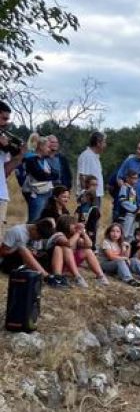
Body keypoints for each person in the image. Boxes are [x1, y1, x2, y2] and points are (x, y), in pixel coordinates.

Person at [0, 217, 70, 288]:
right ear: (35, 229)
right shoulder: (16, 231)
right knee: (22, 248)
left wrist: (36, 252)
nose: (38, 240)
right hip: (13, 263)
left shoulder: (39, 234)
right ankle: (47, 278)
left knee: (57, 248)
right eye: (38, 237)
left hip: (31, 262)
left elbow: (39, 249)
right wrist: (17, 249)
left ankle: (57, 277)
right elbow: (2, 252)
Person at [98, 222, 140, 287]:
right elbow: (111, 257)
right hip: (106, 265)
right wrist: (125, 258)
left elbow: (125, 257)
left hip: (118, 263)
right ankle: (129, 279)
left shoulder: (120, 243)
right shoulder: (106, 242)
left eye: (117, 232)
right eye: (112, 231)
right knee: (121, 261)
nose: (115, 234)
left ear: (121, 234)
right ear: (109, 232)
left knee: (134, 260)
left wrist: (128, 247)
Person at [54, 214, 110, 287]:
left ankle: (100, 276)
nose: (76, 226)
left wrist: (83, 233)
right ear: (66, 225)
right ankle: (77, 277)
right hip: (58, 265)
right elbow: (69, 244)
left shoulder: (74, 236)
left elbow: (89, 245)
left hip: (68, 265)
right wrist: (78, 232)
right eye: (73, 224)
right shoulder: (58, 235)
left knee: (88, 251)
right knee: (66, 248)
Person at [0, 100, 26, 243]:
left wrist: (19, 156)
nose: (6, 123)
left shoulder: (4, 139)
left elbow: (5, 171)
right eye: (3, 118)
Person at [22, 136, 58, 222]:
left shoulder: (45, 160)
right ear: (41, 147)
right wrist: (48, 174)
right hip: (36, 193)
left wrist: (48, 174)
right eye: (48, 147)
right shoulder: (30, 159)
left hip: (46, 192)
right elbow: (39, 176)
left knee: (44, 220)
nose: (49, 149)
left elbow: (56, 174)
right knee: (34, 220)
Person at [77, 131, 106, 207]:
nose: (105, 145)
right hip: (90, 196)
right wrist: (85, 194)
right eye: (104, 142)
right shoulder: (86, 156)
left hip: (96, 194)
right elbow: (82, 176)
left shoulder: (95, 156)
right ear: (98, 143)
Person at [76, 175, 101, 246]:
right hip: (83, 217)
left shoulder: (96, 195)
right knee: (84, 233)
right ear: (87, 184)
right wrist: (87, 193)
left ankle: (93, 246)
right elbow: (80, 201)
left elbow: (96, 208)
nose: (94, 187)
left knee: (92, 233)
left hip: (92, 218)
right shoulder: (84, 192)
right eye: (92, 184)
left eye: (96, 185)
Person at [115, 170, 139, 240]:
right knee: (124, 235)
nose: (135, 180)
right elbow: (122, 201)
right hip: (126, 215)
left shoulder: (132, 189)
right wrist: (135, 209)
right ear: (127, 178)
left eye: (136, 178)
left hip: (133, 215)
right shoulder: (124, 188)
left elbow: (132, 202)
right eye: (133, 178)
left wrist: (137, 210)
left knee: (130, 235)